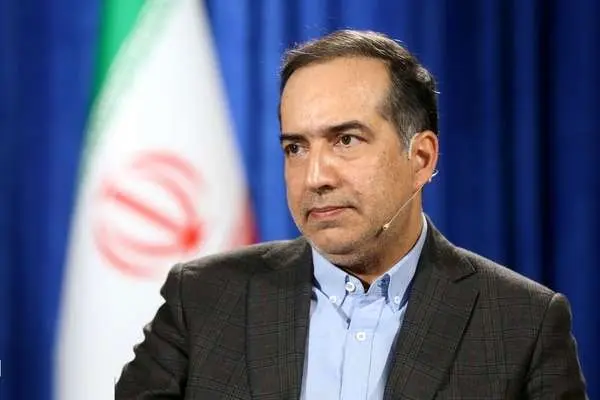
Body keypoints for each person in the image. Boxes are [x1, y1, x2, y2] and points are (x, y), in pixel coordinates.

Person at [115, 30, 587, 399]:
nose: (315, 176)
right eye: (296, 148)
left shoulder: (522, 323)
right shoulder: (202, 299)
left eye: (346, 140)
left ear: (421, 158)